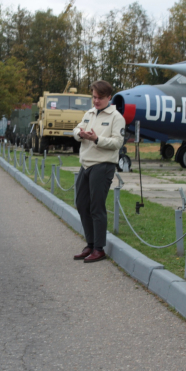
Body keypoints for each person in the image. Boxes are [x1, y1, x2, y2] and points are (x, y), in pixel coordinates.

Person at [71, 80, 126, 263]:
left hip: (102, 166)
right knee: (81, 203)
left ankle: (99, 248)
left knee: (96, 206)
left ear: (109, 98)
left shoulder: (116, 117)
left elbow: (117, 143)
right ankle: (90, 243)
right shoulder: (90, 113)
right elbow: (77, 128)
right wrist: (80, 133)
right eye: (94, 97)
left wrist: (96, 139)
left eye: (100, 98)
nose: (96, 101)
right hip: (86, 164)